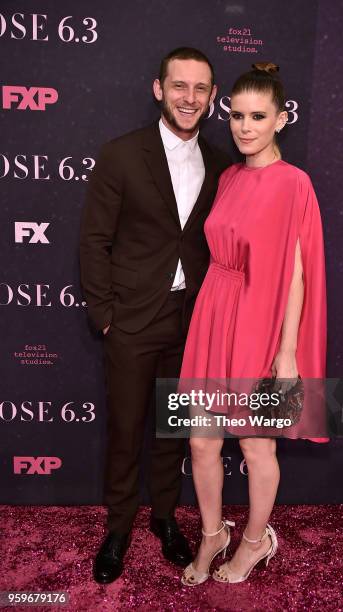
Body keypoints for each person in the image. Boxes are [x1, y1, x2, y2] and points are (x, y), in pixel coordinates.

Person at [79, 47, 231, 584]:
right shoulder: (121, 154)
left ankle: (165, 520)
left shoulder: (220, 163)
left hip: (189, 322)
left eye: (200, 88)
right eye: (179, 86)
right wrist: (104, 315)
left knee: (173, 431)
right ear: (158, 89)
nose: (189, 97)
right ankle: (118, 527)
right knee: (125, 430)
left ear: (213, 98)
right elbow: (94, 240)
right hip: (130, 319)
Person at [179, 62, 328, 586]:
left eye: (258, 116)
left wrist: (286, 353)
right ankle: (213, 533)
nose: (244, 126)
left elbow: (297, 276)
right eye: (237, 115)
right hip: (215, 312)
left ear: (281, 119)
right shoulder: (229, 176)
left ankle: (254, 541)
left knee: (254, 444)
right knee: (201, 440)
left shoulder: (293, 184)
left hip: (260, 322)